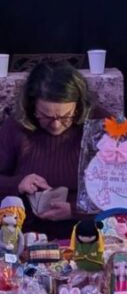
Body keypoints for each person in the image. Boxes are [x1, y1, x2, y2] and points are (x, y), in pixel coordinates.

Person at [0, 62, 97, 232]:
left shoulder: (99, 124)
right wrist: (18, 183)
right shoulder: (16, 127)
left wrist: (76, 209)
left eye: (65, 116)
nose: (56, 125)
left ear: (78, 106)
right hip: (25, 232)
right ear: (31, 106)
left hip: (87, 234)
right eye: (46, 116)